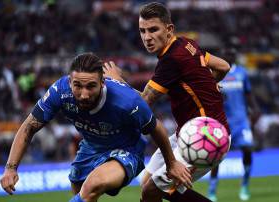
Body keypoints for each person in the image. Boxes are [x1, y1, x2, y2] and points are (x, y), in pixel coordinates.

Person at [0, 52, 192, 202]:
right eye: (77, 86)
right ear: (69, 81)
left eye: (91, 86)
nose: (83, 94)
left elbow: (155, 127)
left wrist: (171, 163)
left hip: (127, 150)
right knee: (79, 187)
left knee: (93, 185)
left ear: (102, 82)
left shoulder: (126, 100)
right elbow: (28, 127)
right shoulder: (59, 92)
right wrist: (10, 168)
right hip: (90, 147)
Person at [103, 2, 231, 202]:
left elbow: (142, 104)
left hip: (208, 138)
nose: (147, 37)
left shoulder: (171, 60)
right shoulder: (187, 44)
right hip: (188, 131)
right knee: (147, 182)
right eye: (142, 31)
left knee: (152, 191)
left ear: (169, 29)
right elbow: (223, 66)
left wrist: (117, 82)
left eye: (153, 29)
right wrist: (206, 84)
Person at [208, 48, 260, 202]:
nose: (230, 55)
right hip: (221, 121)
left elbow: (248, 93)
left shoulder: (242, 73)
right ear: (223, 56)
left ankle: (244, 185)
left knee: (248, 149)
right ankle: (212, 192)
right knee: (217, 158)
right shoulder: (217, 72)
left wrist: (255, 109)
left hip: (241, 120)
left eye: (232, 53)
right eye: (227, 53)